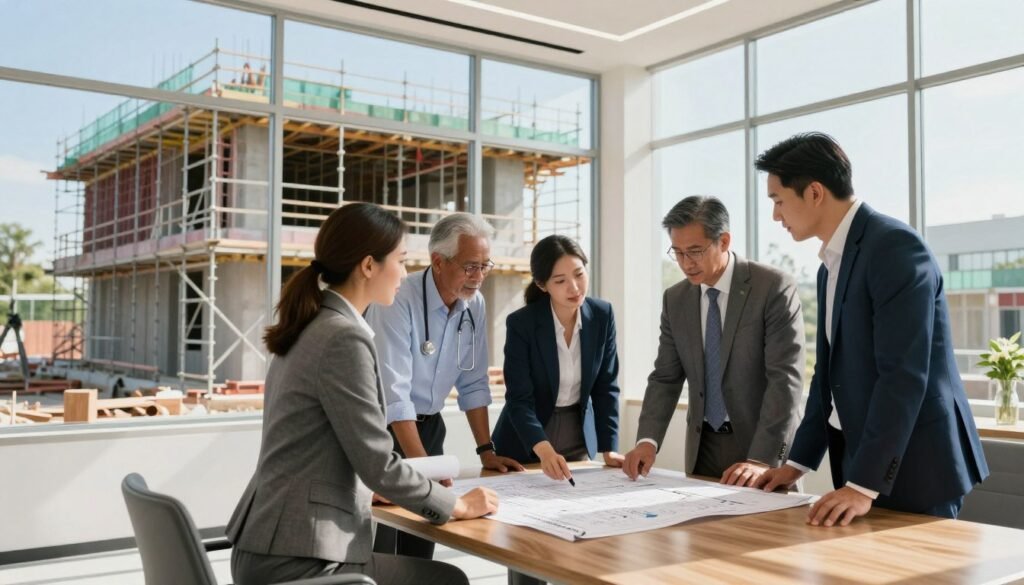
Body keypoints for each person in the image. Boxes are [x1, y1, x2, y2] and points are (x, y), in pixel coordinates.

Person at [226, 203, 498, 585]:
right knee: (448, 580)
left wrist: (365, 489)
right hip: (299, 556)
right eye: (401, 261)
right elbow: (379, 464)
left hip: (272, 540)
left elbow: (323, 445)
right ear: (368, 266)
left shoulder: (314, 321)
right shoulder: (344, 338)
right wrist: (458, 505)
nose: (405, 274)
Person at [753, 132, 989, 525]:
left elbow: (903, 374)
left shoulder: (895, 247)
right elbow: (826, 376)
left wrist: (863, 485)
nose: (776, 215)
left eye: (778, 200)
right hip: (863, 467)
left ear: (814, 192)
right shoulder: (830, 265)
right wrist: (797, 463)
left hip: (917, 466)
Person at [366, 212, 523, 560]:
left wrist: (486, 449)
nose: (479, 277)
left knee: (423, 537)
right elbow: (395, 393)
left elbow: (473, 380)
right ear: (438, 261)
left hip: (430, 427)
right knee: (390, 536)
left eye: (485, 266)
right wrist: (425, 471)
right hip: (388, 429)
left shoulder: (474, 304)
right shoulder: (398, 298)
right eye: (470, 267)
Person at [623, 195, 805, 486]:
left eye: (695, 251)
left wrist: (761, 458)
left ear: (724, 241)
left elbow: (786, 380)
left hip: (759, 448)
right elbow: (665, 378)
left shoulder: (772, 287)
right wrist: (648, 441)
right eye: (678, 252)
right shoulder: (676, 299)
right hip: (702, 449)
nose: (685, 263)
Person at [491, 235, 623, 482]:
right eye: (560, 280)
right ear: (542, 285)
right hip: (525, 444)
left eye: (579, 274)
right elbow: (519, 399)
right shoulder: (522, 324)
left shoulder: (602, 315)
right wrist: (544, 449)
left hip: (578, 439)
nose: (574, 287)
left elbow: (607, 386)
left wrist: (609, 447)